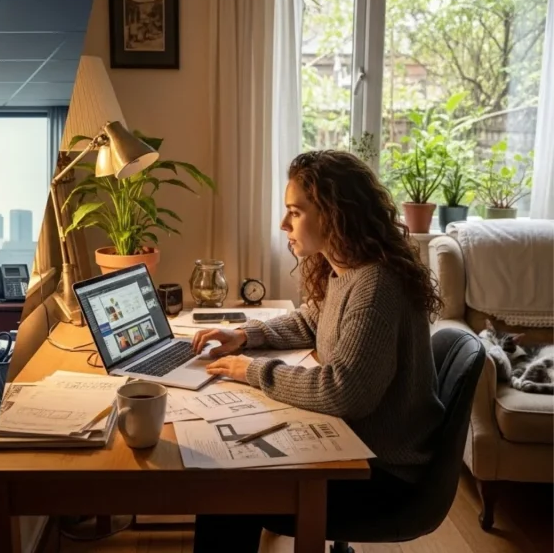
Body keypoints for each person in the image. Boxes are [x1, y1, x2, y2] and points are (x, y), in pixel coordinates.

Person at [189, 150, 446, 551]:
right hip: (357, 452)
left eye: (295, 211)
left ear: (333, 213)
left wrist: (251, 370)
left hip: (382, 476)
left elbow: (345, 393)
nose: (283, 224)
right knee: (231, 471)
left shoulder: (375, 285)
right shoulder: (349, 269)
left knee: (227, 491)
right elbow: (311, 321)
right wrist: (245, 336)